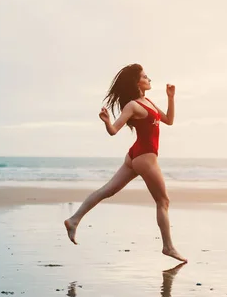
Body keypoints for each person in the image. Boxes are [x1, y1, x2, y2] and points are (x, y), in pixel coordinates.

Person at [64, 63, 187, 263]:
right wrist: (106, 121)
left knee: (107, 190)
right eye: (145, 76)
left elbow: (169, 120)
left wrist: (171, 98)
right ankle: (168, 247)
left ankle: (74, 220)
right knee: (163, 201)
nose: (149, 79)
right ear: (136, 81)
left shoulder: (148, 102)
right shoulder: (132, 105)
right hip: (145, 158)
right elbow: (114, 130)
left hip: (135, 156)